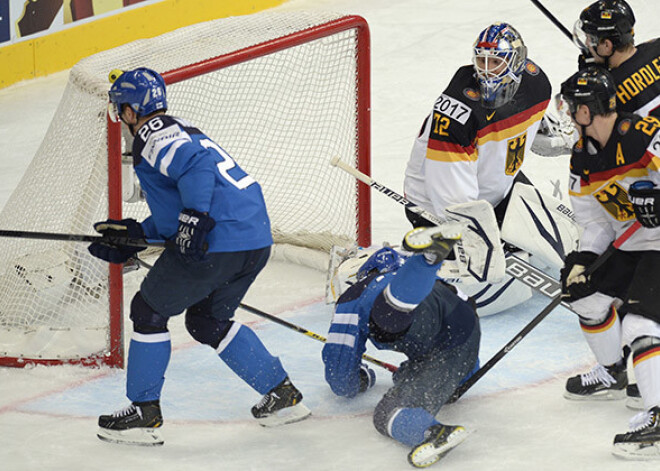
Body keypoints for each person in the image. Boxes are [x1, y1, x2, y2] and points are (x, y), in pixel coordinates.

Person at [89, 67, 310, 446]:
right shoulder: (179, 126)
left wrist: (193, 218)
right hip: (253, 239)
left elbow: (195, 166)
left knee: (148, 311)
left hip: (217, 242)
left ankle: (143, 413)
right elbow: (184, 198)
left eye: (120, 110)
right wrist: (138, 234)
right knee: (207, 320)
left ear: (129, 111)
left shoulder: (151, 132)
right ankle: (282, 396)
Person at [558, 66, 660, 459]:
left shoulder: (644, 136)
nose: (568, 114)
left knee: (640, 321)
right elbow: (594, 221)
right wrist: (584, 260)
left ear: (590, 110)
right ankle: (613, 373)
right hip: (631, 245)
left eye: (573, 107)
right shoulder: (582, 158)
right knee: (585, 297)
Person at [322, 225, 480, 468]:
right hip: (463, 337)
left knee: (388, 412)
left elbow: (340, 377)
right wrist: (413, 373)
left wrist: (361, 378)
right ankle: (427, 262)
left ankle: (433, 434)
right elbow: (465, 325)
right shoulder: (439, 284)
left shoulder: (357, 294)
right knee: (397, 321)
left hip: (411, 308)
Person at [573, 0, 660, 119]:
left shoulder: (607, 92)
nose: (587, 43)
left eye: (590, 38)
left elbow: (586, 131)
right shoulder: (656, 46)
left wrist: (592, 81)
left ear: (607, 46)